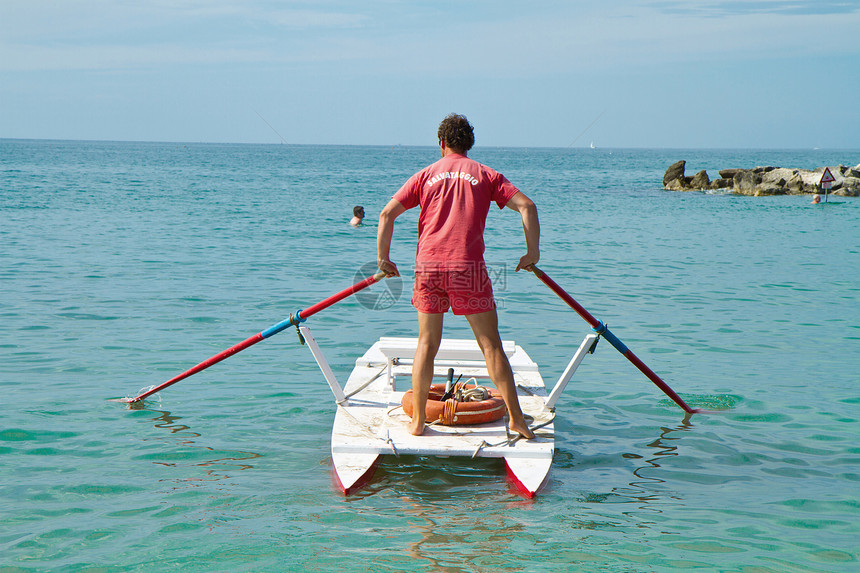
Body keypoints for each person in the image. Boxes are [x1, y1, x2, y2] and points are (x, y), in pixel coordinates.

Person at [376, 114, 539, 438]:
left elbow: (386, 214)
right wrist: (531, 254)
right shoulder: (486, 174)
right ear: (469, 144)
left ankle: (418, 420)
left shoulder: (425, 176)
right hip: (468, 269)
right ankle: (517, 420)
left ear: (441, 143)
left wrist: (384, 259)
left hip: (429, 267)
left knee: (426, 343)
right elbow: (527, 206)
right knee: (490, 345)